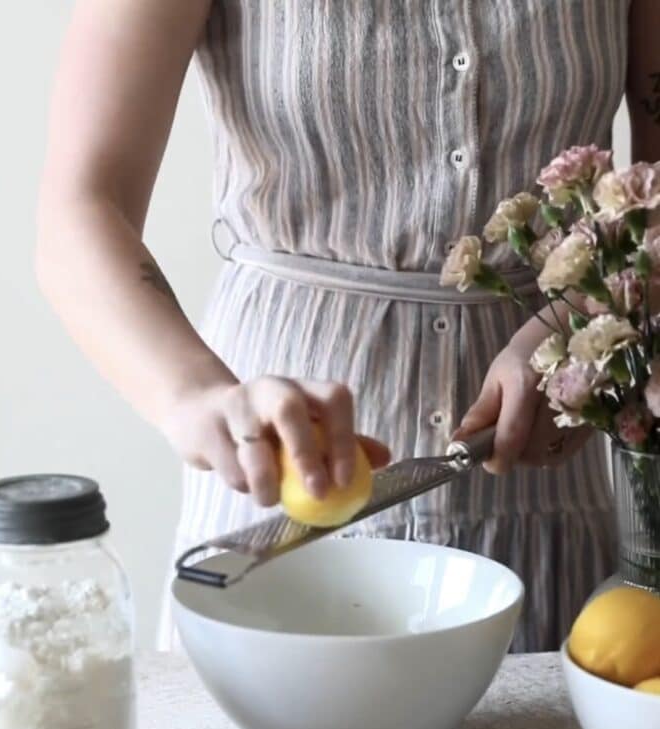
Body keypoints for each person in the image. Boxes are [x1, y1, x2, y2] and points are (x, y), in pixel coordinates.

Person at [36, 1, 660, 652]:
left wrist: (575, 326)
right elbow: (80, 210)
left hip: (550, 472)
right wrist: (198, 397)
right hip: (279, 470)